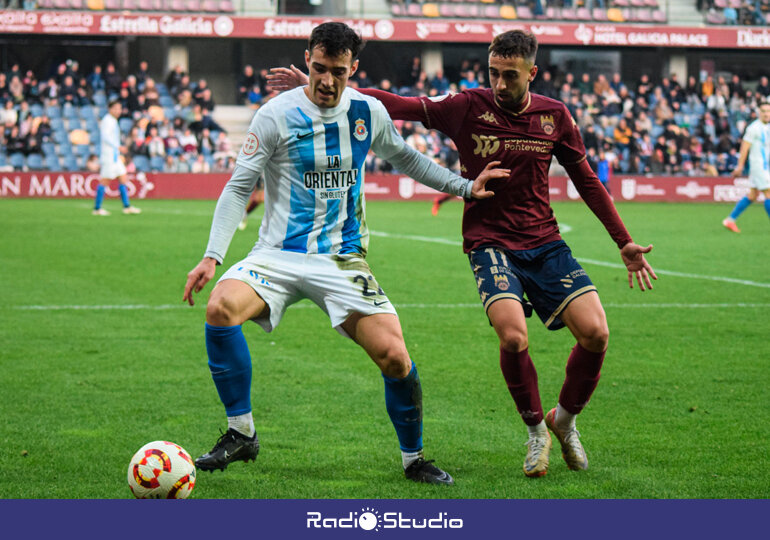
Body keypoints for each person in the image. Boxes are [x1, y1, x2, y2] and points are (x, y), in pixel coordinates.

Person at [268, 29, 656, 478]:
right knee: (513, 337)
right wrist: (326, 87)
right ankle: (535, 432)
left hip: (546, 242)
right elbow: (402, 104)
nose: (499, 83)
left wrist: (623, 241)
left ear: (532, 73)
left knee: (596, 334)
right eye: (493, 72)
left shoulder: (555, 117)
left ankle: (564, 422)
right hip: (489, 242)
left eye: (510, 75)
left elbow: (586, 179)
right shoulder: (468, 106)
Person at [182, 22, 508, 485]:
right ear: (308, 61)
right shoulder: (275, 115)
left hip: (342, 260)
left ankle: (413, 459)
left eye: (338, 71)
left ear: (354, 68)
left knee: (395, 357)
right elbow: (239, 186)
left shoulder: (367, 111)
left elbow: (406, 158)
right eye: (318, 69)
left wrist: (463, 187)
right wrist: (213, 256)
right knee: (220, 308)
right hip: (277, 254)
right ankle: (241, 433)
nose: (327, 81)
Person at [722, 101, 770, 233]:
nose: (767, 114)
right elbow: (744, 148)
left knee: (752, 195)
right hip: (758, 166)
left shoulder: (767, 127)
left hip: (765, 166)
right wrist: (739, 166)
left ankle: (730, 220)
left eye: (768, 111)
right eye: (764, 111)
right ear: (759, 112)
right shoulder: (753, 128)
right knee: (769, 194)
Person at [92, 100, 141, 216]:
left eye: (119, 109)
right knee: (105, 181)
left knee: (123, 177)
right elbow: (105, 137)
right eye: (116, 108)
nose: (118, 111)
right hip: (108, 156)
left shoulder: (113, 121)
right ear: (110, 109)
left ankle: (126, 206)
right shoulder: (107, 121)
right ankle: (97, 208)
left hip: (115, 156)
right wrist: (118, 146)